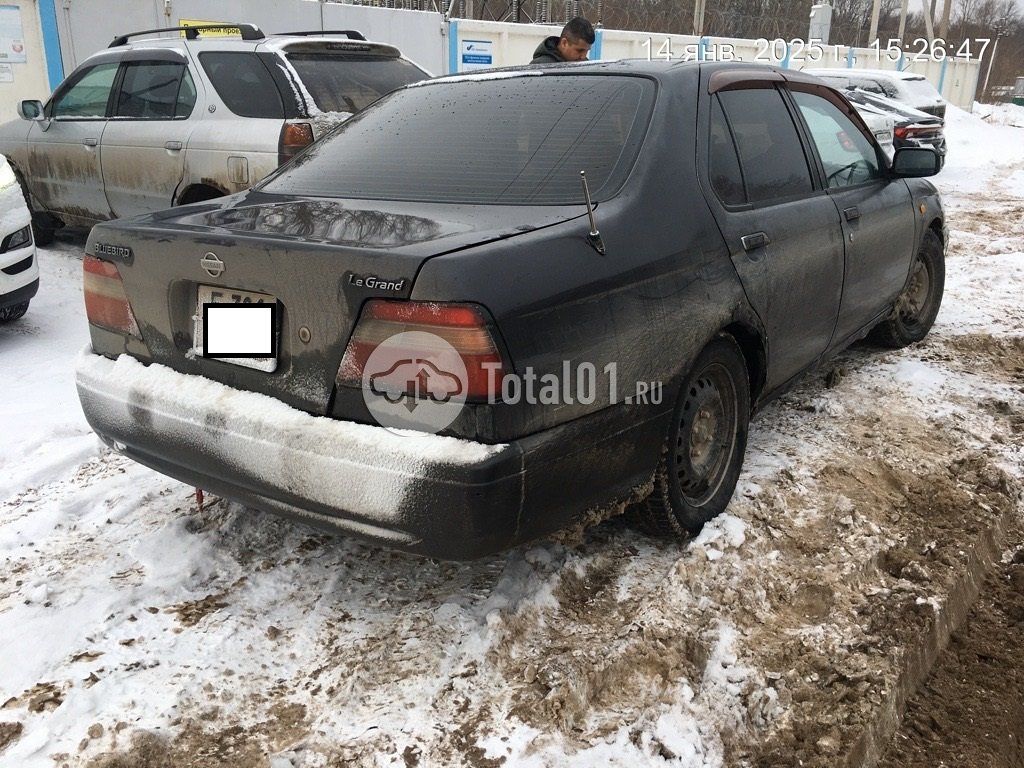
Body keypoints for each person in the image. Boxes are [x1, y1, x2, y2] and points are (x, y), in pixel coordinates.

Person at [530, 17, 595, 64]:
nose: (583, 56)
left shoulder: (585, 65)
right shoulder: (541, 67)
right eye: (580, 50)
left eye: (586, 51)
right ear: (564, 43)